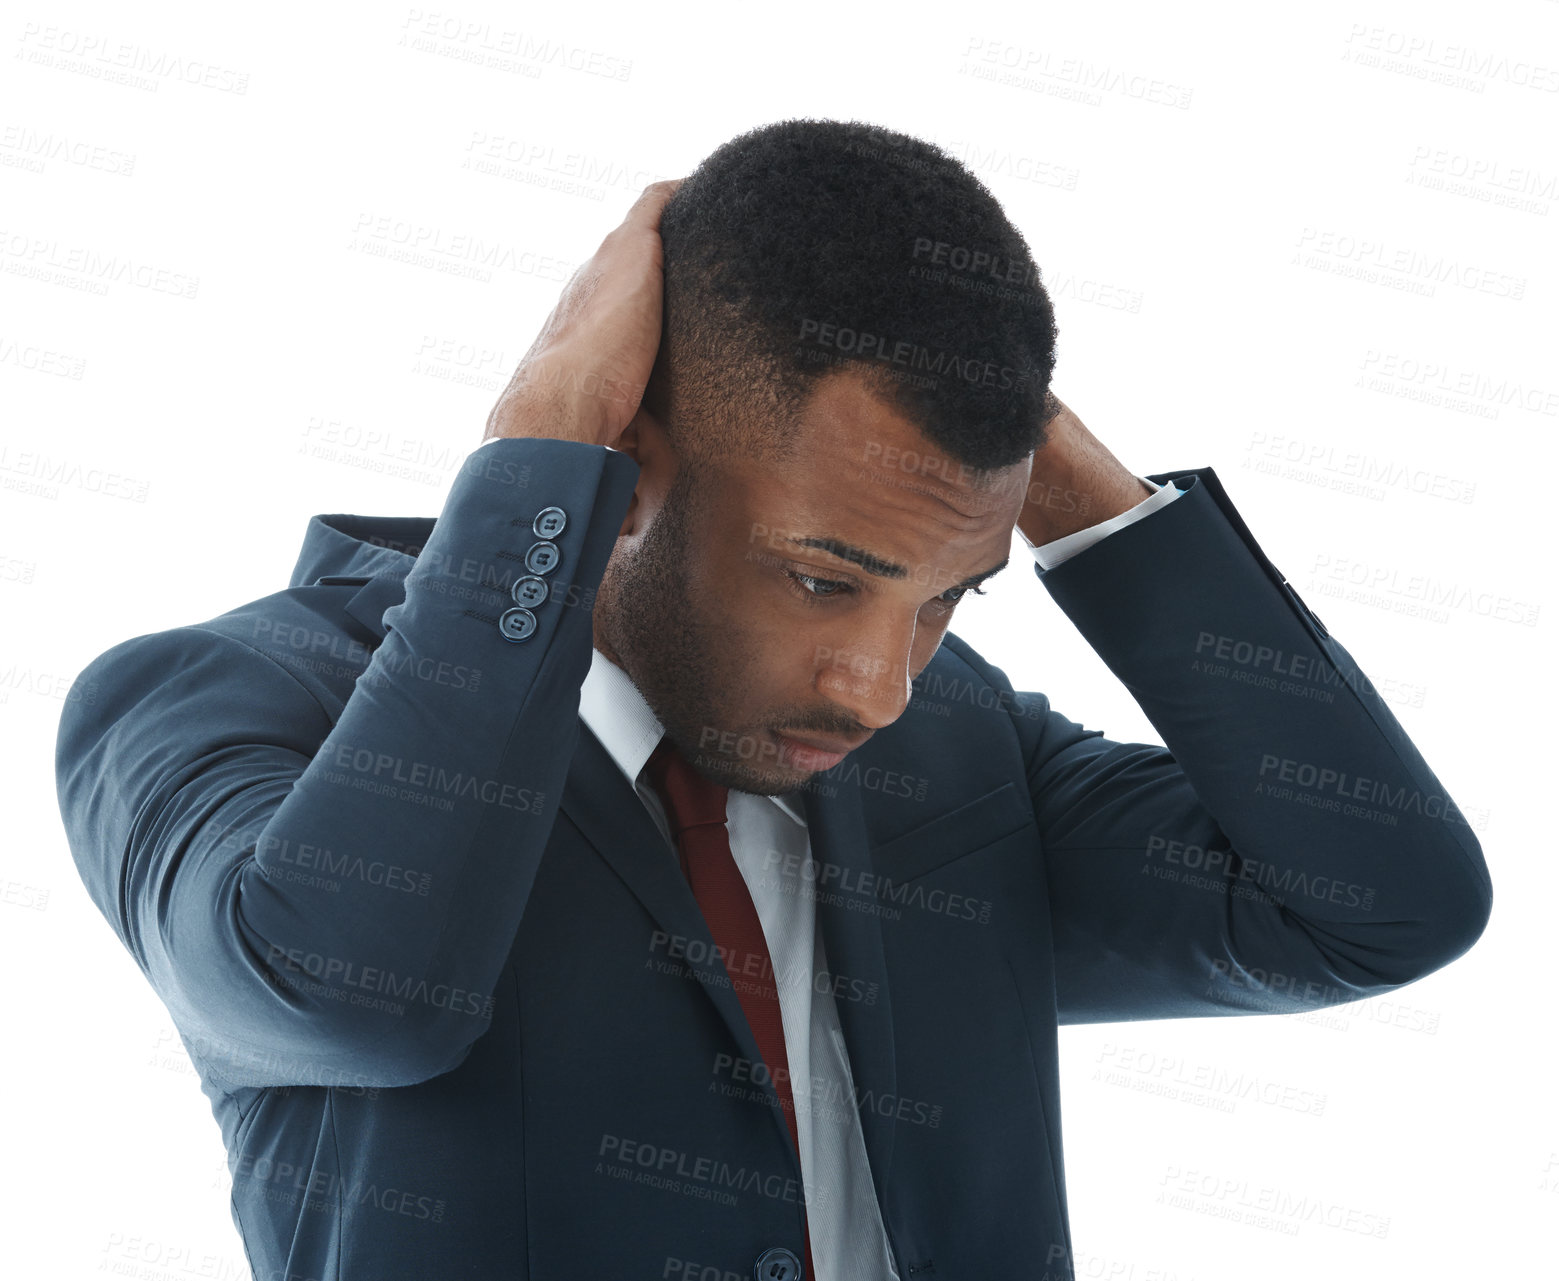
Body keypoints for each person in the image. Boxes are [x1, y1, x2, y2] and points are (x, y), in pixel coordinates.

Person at [55, 119, 1492, 1281]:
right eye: (823, 579)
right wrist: (540, 451)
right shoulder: (213, 701)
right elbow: (363, 992)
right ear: (630, 464)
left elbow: (1372, 902)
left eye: (944, 597)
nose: (880, 681)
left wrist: (1076, 494)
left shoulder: (957, 747)